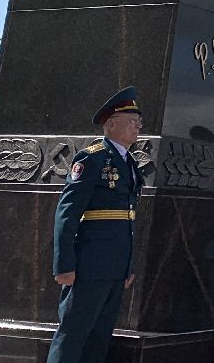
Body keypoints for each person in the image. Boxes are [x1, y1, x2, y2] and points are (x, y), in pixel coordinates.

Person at [44, 87, 144, 363]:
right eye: (132, 121)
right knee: (73, 334)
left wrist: (128, 265)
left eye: (139, 122)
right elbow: (68, 211)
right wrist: (64, 264)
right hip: (88, 264)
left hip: (115, 267)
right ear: (111, 123)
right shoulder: (92, 158)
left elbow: (128, 218)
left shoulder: (131, 163)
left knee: (99, 338)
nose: (138, 127)